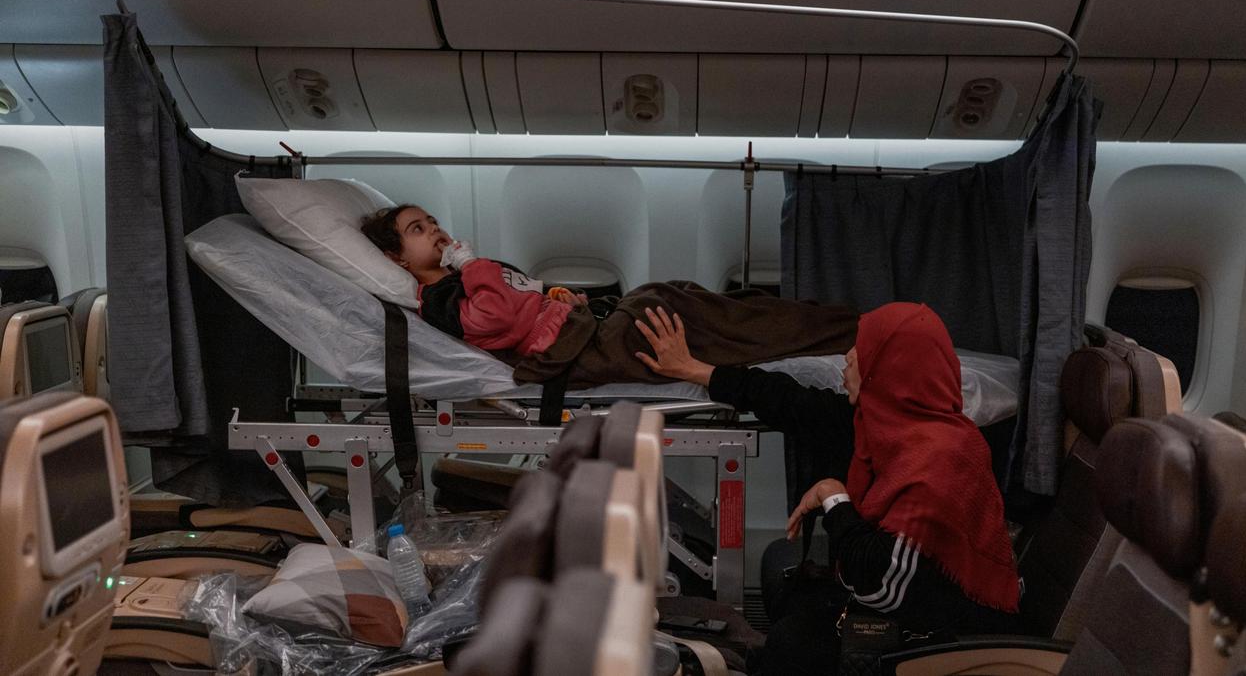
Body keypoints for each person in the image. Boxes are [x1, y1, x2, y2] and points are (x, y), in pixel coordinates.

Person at [635, 302, 1021, 674]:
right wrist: (694, 369)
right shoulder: (887, 422)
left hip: (945, 634)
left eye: (860, 353)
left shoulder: (938, 459)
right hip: (906, 601)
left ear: (889, 369)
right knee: (794, 595)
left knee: (790, 642)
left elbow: (882, 586)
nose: (847, 360)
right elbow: (794, 402)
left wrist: (833, 496)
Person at [359, 204, 861, 388]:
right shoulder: (440, 298)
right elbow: (497, 319)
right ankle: (845, 331)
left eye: (433, 221)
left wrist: (563, 300)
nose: (436, 230)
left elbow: (526, 300)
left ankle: (831, 326)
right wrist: (472, 265)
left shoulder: (462, 278)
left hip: (588, 331)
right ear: (397, 259)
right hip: (583, 354)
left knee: (682, 295)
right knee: (673, 304)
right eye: (418, 229)